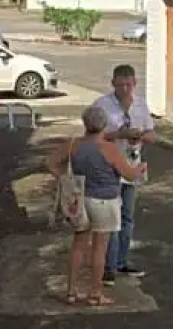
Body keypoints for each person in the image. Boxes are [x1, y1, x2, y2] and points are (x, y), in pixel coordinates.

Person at [49, 104, 147, 306]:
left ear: (85, 123)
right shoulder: (108, 149)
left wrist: (64, 178)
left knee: (78, 244)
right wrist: (140, 167)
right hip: (105, 200)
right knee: (99, 248)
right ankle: (95, 293)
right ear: (104, 125)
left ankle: (71, 291)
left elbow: (50, 161)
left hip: (79, 197)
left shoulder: (73, 145)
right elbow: (129, 174)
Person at [93, 63, 156, 283]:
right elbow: (95, 137)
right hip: (109, 167)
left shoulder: (140, 105)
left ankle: (121, 261)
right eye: (121, 85)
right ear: (113, 85)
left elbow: (152, 134)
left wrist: (139, 136)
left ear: (135, 83)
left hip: (132, 164)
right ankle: (107, 267)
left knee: (127, 217)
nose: (125, 90)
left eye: (129, 85)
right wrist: (118, 134)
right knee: (110, 218)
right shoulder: (102, 105)